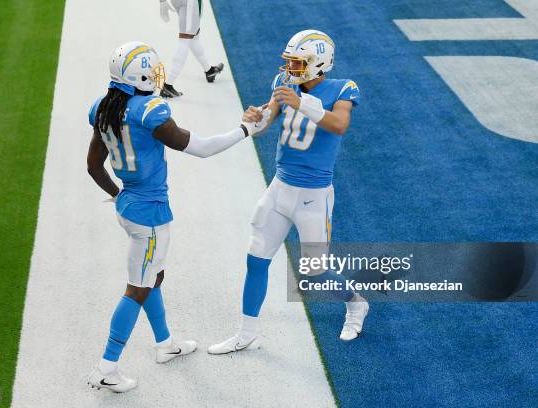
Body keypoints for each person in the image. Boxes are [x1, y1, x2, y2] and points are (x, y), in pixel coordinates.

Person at [86, 41, 269, 392]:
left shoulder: (103, 106)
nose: (155, 76)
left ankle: (165, 344)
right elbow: (199, 147)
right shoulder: (148, 110)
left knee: (154, 276)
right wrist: (245, 130)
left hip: (129, 206)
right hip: (150, 214)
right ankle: (106, 367)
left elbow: (94, 166)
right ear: (139, 75)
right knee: (137, 288)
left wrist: (118, 194)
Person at [208, 30, 368, 356]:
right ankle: (247, 332)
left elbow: (339, 124)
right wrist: (255, 117)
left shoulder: (342, 88)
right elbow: (267, 119)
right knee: (256, 258)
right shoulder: (286, 81)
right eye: (291, 61)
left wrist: (303, 102)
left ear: (318, 63)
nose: (292, 68)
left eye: (298, 62)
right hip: (280, 186)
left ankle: (356, 303)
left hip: (314, 195)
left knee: (316, 274)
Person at [158, 0, 224, 97]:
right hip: (190, 3)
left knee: (193, 37)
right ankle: (168, 85)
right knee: (185, 39)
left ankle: (209, 70)